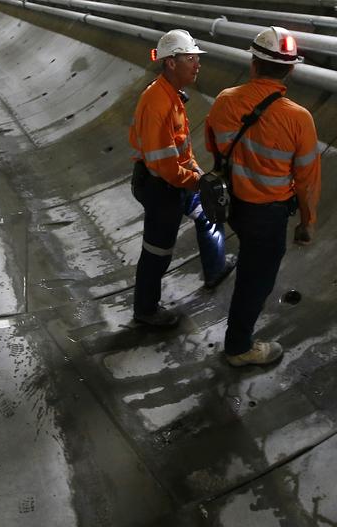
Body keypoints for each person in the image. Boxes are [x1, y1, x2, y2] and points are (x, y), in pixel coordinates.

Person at [205, 26, 321, 365]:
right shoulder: (299, 119)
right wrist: (308, 222)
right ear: (291, 69)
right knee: (256, 280)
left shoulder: (225, 100)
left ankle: (239, 338)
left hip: (234, 207)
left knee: (251, 270)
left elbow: (215, 149)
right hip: (268, 215)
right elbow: (307, 180)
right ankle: (239, 349)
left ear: (254, 63)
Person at [129, 29, 235, 328]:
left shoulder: (171, 95)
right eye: (191, 58)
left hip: (177, 180)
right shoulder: (157, 103)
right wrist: (197, 182)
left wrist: (199, 173)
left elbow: (179, 150)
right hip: (161, 187)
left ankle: (215, 269)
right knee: (157, 252)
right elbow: (163, 164)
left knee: (208, 215)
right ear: (171, 63)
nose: (197, 64)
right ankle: (146, 311)